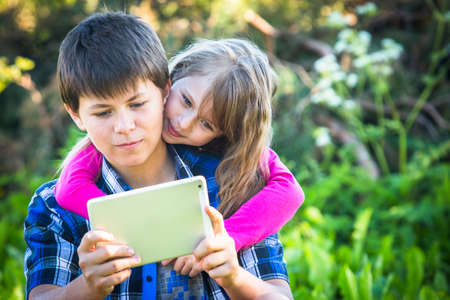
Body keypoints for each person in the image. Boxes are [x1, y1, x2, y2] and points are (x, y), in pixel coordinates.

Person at [24, 12, 294, 299]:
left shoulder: (233, 184)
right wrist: (85, 288)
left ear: (165, 89)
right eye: (103, 112)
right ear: (76, 115)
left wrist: (234, 275)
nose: (125, 127)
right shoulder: (52, 208)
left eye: (138, 104)